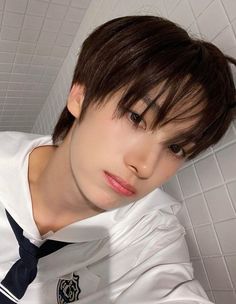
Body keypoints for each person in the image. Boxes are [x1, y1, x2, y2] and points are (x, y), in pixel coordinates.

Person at [0, 15, 235, 304]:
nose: (145, 166)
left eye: (176, 148)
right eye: (136, 117)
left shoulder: (149, 235)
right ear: (80, 96)